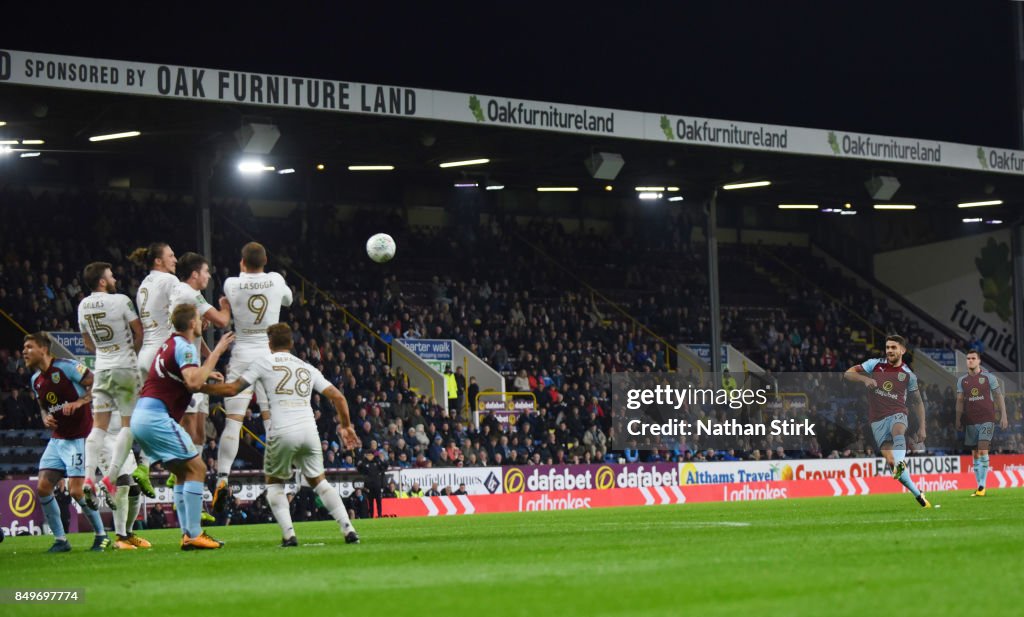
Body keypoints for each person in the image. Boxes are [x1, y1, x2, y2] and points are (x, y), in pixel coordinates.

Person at [204, 323, 361, 546]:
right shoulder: (306, 367)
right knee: (320, 482)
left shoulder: (263, 363)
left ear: (269, 343)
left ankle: (289, 535)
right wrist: (346, 426)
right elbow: (339, 398)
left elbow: (231, 390)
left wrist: (201, 387)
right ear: (291, 343)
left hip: (282, 431)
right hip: (309, 431)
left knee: (275, 484)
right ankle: (349, 529)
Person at [130, 303, 234, 550]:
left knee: (182, 473)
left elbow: (187, 382)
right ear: (191, 323)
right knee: (197, 468)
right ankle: (194, 534)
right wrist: (216, 352)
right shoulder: (185, 347)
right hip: (156, 417)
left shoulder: (169, 343)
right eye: (199, 319)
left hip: (143, 416)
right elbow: (192, 380)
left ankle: (187, 533)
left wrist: (206, 376)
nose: (202, 323)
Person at [213, 242, 293, 513]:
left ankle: (222, 479)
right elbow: (288, 300)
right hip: (269, 353)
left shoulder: (231, 284)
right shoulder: (275, 280)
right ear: (266, 259)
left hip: (243, 353)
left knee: (233, 421)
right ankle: (278, 478)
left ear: (241, 261)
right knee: (271, 417)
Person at [24, 332, 111, 552]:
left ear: (43, 349)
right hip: (58, 439)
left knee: (76, 491)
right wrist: (45, 417)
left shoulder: (67, 367)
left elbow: (97, 385)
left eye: (29, 347)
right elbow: (43, 406)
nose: (24, 352)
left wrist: (80, 401)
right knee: (43, 488)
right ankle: (61, 540)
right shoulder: (36, 380)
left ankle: (102, 535)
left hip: (79, 437)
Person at [77, 262, 143, 510]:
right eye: (111, 275)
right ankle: (108, 479)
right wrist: (129, 355)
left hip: (102, 368)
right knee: (129, 425)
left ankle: (87, 478)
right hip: (124, 367)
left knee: (98, 427)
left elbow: (86, 342)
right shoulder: (121, 300)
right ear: (102, 281)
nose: (114, 277)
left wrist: (103, 353)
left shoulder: (83, 305)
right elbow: (140, 333)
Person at [844, 334, 931, 508]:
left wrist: (922, 427)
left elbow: (918, 402)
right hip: (876, 420)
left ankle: (900, 462)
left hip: (898, 413)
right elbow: (848, 373)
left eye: (893, 347)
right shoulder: (874, 364)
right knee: (891, 462)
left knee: (898, 430)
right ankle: (918, 494)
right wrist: (864, 378)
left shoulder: (908, 375)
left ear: (902, 350)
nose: (889, 350)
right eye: (888, 347)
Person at [169, 252, 231, 482]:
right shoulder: (190, 294)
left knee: (199, 432)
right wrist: (225, 305)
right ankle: (184, 482)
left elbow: (194, 334)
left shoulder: (182, 294)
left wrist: (205, 357)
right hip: (184, 367)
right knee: (191, 431)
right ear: (195, 274)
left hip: (191, 362)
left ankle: (188, 482)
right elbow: (222, 321)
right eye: (205, 271)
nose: (208, 276)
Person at [126, 241, 180, 498]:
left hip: (145, 354)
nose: (175, 260)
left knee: (149, 413)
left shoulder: (144, 285)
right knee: (185, 406)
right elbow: (183, 313)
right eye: (171, 255)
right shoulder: (169, 282)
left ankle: (144, 466)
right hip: (162, 353)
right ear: (158, 260)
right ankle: (174, 467)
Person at [955, 350, 1008, 496]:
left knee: (983, 450)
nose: (970, 361)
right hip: (970, 421)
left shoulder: (989, 378)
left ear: (979, 361)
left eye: (973, 358)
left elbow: (999, 397)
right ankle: (979, 487)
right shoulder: (962, 381)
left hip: (987, 419)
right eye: (968, 358)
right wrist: (958, 419)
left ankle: (982, 487)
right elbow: (959, 401)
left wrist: (1003, 415)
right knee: (975, 454)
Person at [357, 449, 388, 518]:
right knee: (370, 502)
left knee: (378, 501)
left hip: (377, 485)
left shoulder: (377, 461)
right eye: (368, 455)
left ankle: (380, 515)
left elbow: (385, 467)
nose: (369, 457)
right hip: (369, 486)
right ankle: (371, 515)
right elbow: (359, 469)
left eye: (370, 455)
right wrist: (361, 462)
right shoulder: (364, 463)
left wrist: (382, 460)